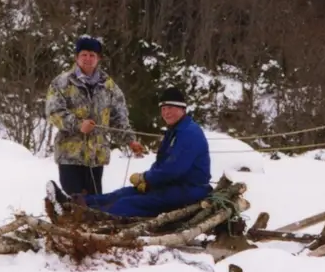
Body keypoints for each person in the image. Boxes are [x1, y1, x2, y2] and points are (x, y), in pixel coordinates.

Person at [48, 86, 211, 218]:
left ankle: (84, 218)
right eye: (163, 108)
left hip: (188, 190)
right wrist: (147, 180)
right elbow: (162, 163)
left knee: (127, 203)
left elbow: (174, 169)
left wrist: (146, 178)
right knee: (120, 193)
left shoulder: (189, 133)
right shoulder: (174, 131)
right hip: (170, 186)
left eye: (170, 108)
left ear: (182, 109)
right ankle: (71, 202)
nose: (166, 112)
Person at [44, 35, 144, 196]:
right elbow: (54, 113)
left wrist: (130, 140)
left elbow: (119, 118)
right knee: (75, 201)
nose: (88, 59)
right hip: (70, 155)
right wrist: (77, 125)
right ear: (77, 57)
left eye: (92, 55)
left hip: (96, 155)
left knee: (94, 204)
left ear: (99, 58)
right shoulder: (61, 83)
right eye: (84, 55)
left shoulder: (109, 85)